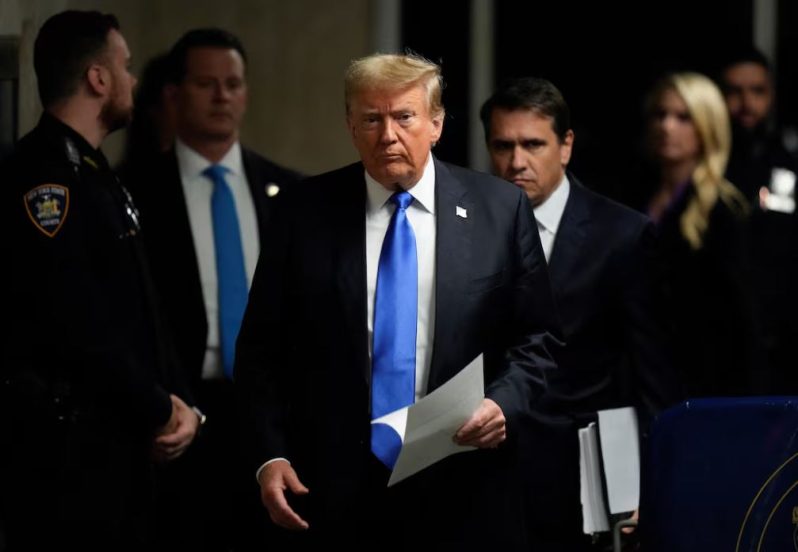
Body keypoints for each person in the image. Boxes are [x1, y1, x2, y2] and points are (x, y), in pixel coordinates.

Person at [235, 52, 561, 549]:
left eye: (404, 116)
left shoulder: (500, 209)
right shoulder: (302, 214)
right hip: (333, 487)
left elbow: (537, 336)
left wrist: (504, 403)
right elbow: (261, 351)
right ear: (350, 125)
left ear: (436, 123)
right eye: (371, 118)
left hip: (463, 480)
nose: (388, 134)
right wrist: (269, 455)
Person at [0, 10, 199, 551]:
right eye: (126, 67)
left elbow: (141, 309)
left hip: (119, 443)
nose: (133, 80)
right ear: (98, 78)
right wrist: (159, 408)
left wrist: (180, 401)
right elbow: (74, 322)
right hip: (71, 454)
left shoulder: (94, 172)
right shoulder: (44, 178)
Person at [123, 28, 302, 551]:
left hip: (267, 419)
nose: (223, 96)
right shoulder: (131, 189)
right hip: (175, 416)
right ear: (174, 95)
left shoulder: (288, 191)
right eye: (206, 84)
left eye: (233, 84)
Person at [481, 77, 678, 550]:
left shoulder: (622, 234)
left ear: (565, 146)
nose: (516, 162)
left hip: (582, 472)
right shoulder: (472, 223)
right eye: (502, 146)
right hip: (488, 469)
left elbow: (654, 371)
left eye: (533, 144)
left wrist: (653, 479)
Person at [634, 72, 758, 398]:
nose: (667, 126)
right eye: (661, 114)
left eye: (683, 117)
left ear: (707, 125)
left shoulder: (723, 209)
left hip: (704, 387)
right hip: (641, 377)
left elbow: (740, 320)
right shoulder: (635, 196)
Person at [718, 47, 798, 394]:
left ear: (771, 95)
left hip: (782, 336)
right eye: (734, 91)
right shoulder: (707, 166)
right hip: (720, 332)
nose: (745, 102)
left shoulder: (788, 160)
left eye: (757, 91)